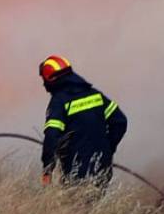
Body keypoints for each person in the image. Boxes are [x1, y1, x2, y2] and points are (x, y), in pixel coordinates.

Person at [39, 55, 127, 185]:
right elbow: (120, 122)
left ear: (51, 79)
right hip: (102, 167)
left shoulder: (59, 101)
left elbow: (52, 136)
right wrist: (107, 149)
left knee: (75, 204)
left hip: (76, 170)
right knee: (98, 203)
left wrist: (47, 169)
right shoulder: (95, 94)